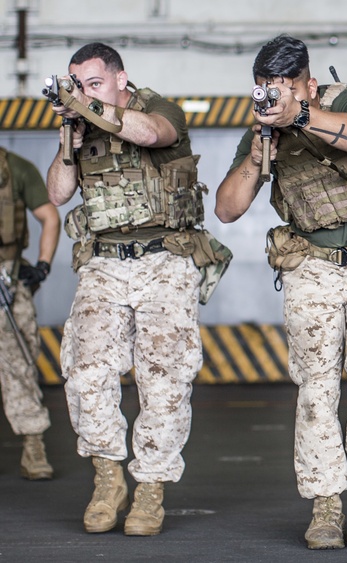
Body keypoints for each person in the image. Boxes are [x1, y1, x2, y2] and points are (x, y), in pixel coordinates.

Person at [216, 35, 347, 550]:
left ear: (307, 83)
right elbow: (227, 208)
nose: (272, 98)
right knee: (316, 387)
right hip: (313, 268)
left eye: (280, 89)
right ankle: (326, 502)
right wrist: (262, 145)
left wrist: (301, 117)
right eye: (263, 89)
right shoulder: (265, 130)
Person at [46, 42, 224, 536]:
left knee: (163, 381)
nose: (84, 93)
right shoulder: (79, 123)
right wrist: (71, 136)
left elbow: (153, 133)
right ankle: (108, 479)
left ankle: (149, 488)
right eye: (78, 85)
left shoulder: (157, 108)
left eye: (95, 83)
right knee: (85, 373)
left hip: (165, 260)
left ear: (121, 80)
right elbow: (57, 194)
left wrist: (89, 109)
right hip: (103, 262)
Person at [0, 147, 59, 481]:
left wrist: (42, 266)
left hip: (5, 275)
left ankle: (33, 444)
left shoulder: (16, 169)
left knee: (19, 358)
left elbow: (48, 216)